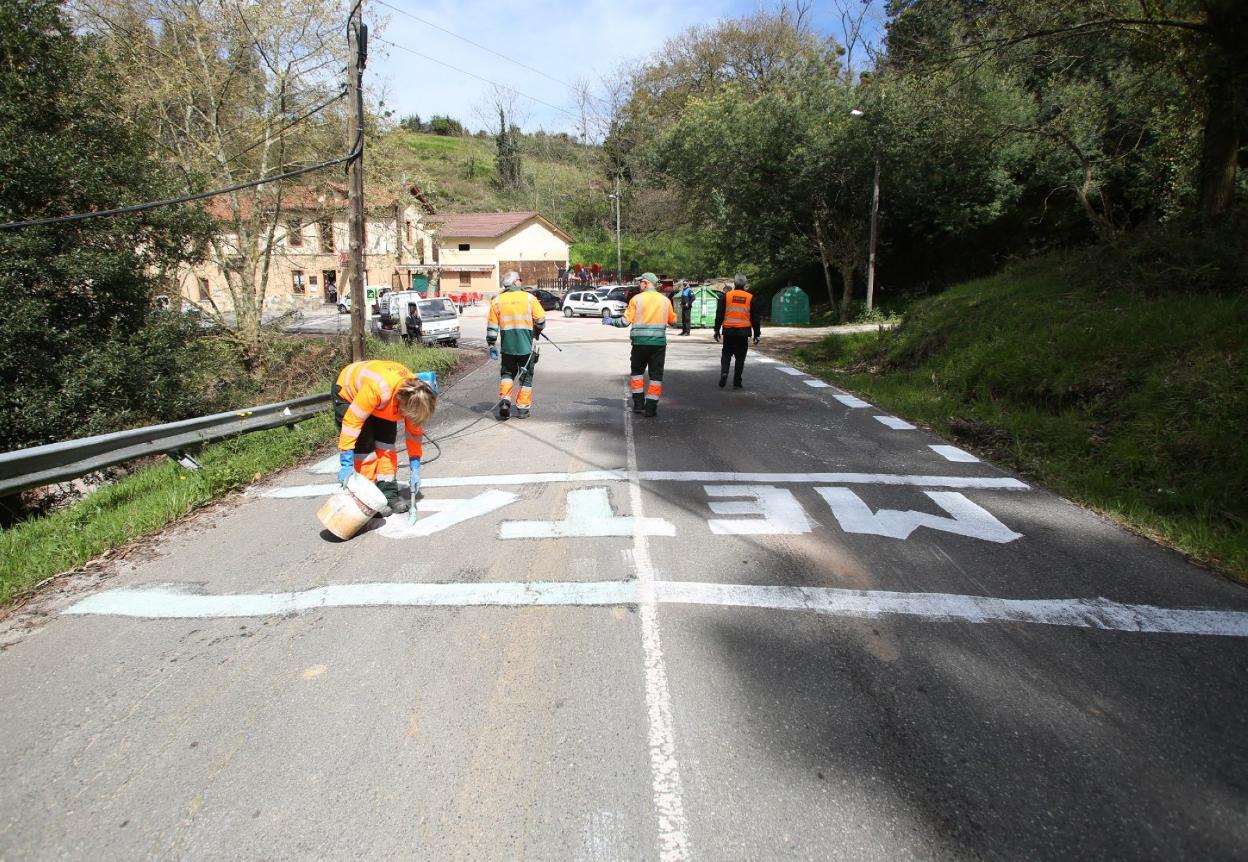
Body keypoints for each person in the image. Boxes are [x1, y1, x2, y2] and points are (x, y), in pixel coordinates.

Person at [334, 360, 437, 516]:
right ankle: (366, 499)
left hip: (383, 401)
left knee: (386, 445)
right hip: (348, 392)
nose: (405, 419)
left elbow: (414, 434)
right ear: (401, 403)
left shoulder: (415, 396)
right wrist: (346, 462)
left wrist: (415, 464)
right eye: (405, 415)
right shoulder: (378, 389)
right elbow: (352, 424)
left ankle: (389, 495)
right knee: (365, 448)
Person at [603, 272, 676, 417]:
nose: (638, 285)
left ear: (645, 283)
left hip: (639, 344)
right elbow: (673, 321)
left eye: (640, 282)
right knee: (655, 376)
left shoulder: (636, 299)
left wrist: (611, 321)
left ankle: (638, 404)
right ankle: (650, 408)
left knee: (637, 374)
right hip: (658, 345)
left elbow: (624, 322)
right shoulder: (665, 301)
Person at [486, 271, 546, 420]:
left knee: (507, 374)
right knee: (526, 378)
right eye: (520, 280)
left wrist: (491, 344)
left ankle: (505, 401)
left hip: (507, 348)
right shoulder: (529, 298)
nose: (521, 282)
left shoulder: (497, 301)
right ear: (515, 282)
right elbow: (541, 320)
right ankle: (523, 410)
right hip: (525, 348)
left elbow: (492, 326)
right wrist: (535, 330)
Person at [714, 273, 762, 389]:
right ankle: (737, 381)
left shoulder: (726, 296)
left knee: (726, 353)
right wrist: (757, 334)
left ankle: (724, 372)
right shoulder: (750, 297)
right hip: (743, 332)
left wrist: (716, 330)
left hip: (729, 330)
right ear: (745, 284)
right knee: (740, 357)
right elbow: (755, 317)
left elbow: (719, 314)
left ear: (734, 283)